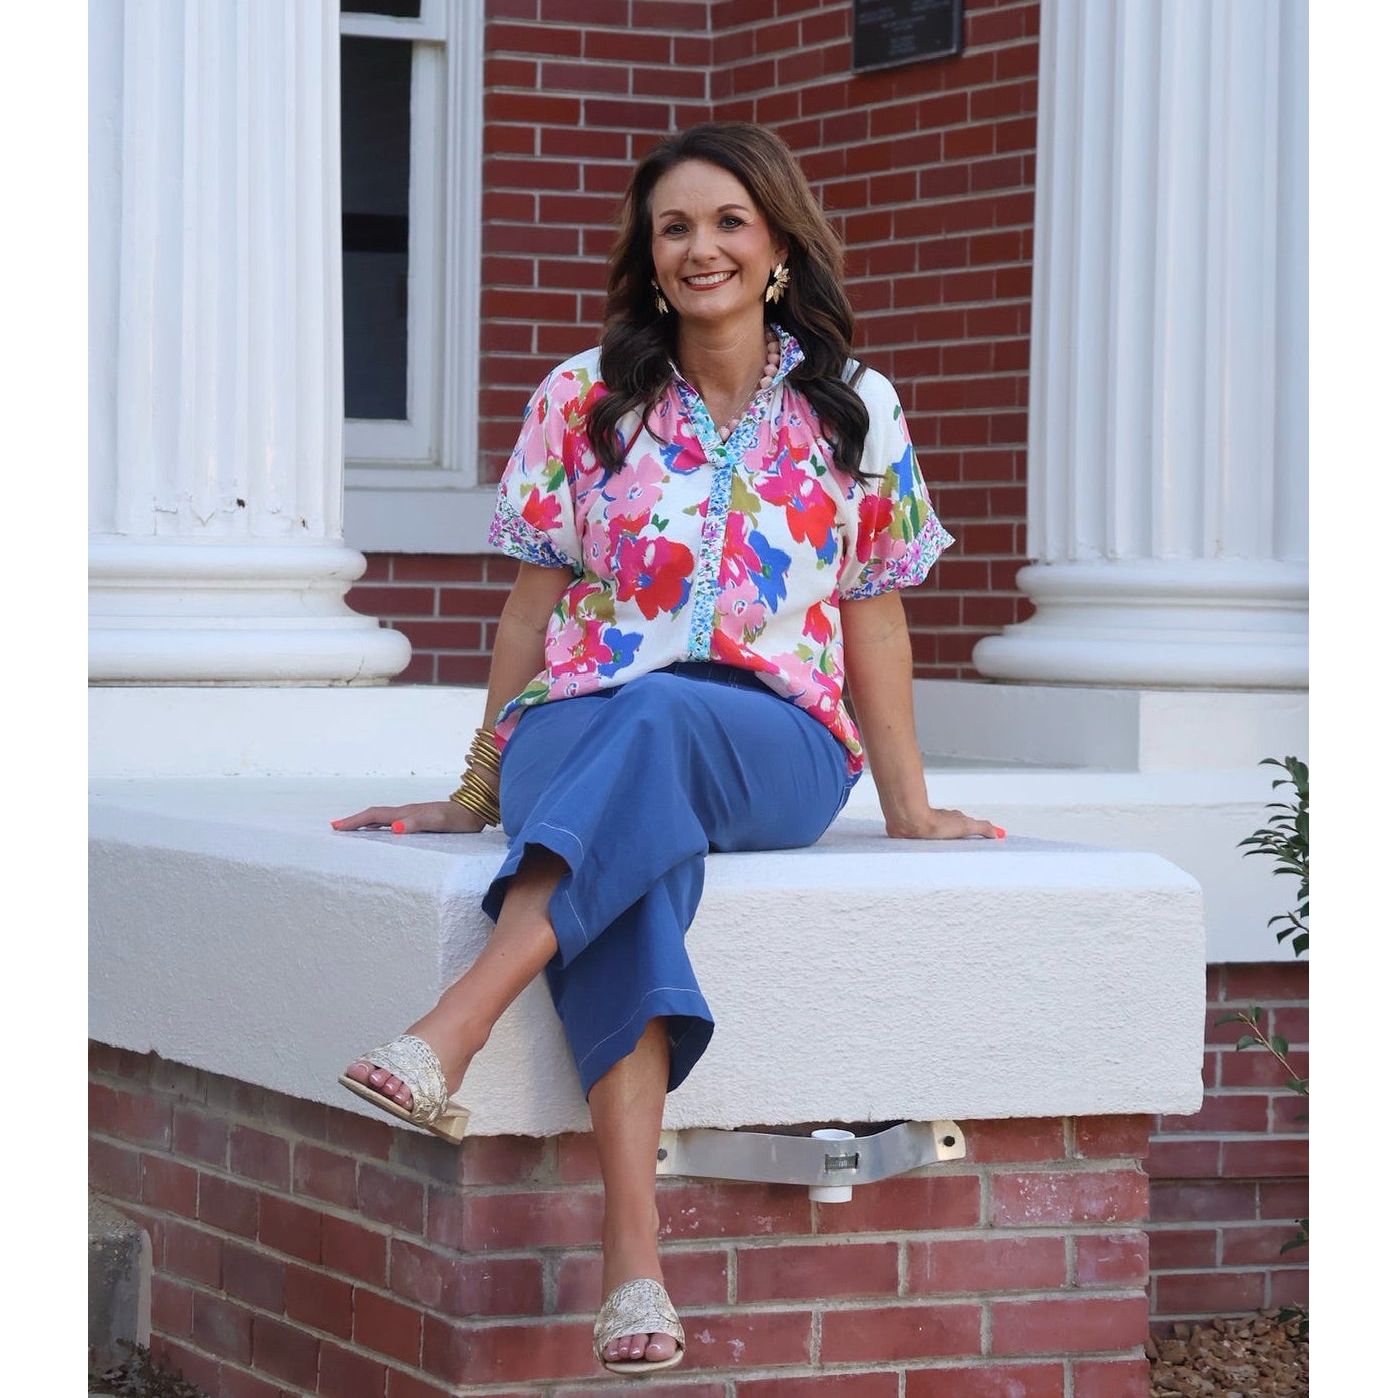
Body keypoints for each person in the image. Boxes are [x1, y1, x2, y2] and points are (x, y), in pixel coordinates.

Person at [331, 121, 1003, 1378]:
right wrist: (478, 784)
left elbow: (876, 615)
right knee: (635, 841)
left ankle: (458, 1024)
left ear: (778, 248)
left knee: (661, 717)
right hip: (578, 724)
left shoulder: (857, 409)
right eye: (675, 227)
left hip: (772, 740)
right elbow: (534, 614)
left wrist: (910, 807)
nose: (701, 248)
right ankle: (634, 1264)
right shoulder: (583, 399)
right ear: (649, 257)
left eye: (728, 223)